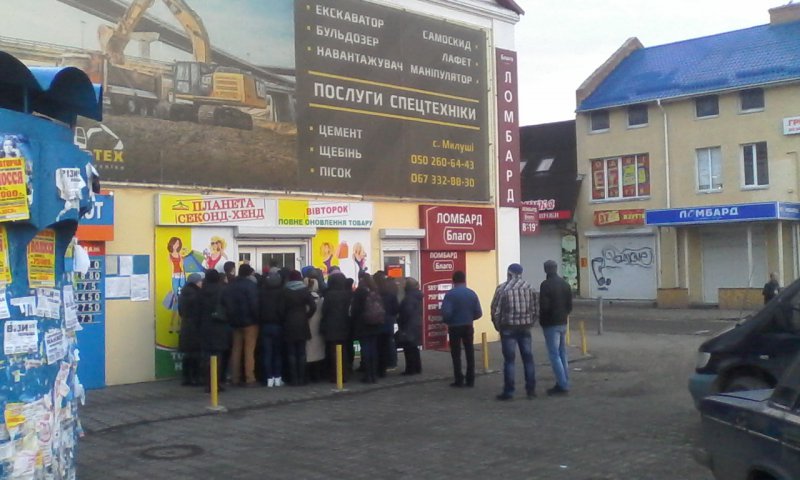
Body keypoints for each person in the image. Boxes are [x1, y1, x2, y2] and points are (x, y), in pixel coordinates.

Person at [491, 263, 538, 401]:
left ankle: (509, 392)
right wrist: (531, 322)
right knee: (528, 359)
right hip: (525, 327)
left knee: (509, 360)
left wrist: (498, 326)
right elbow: (536, 309)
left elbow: (495, 310)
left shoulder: (502, 288)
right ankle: (531, 391)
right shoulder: (530, 287)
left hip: (508, 328)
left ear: (509, 273)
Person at [441, 271, 482, 387]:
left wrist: (447, 321)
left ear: (453, 281)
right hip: (468, 326)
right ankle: (470, 379)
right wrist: (469, 318)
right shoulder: (472, 294)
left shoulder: (450, 295)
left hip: (454, 327)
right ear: (464, 280)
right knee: (470, 352)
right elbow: (479, 313)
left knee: (456, 354)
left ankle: (459, 379)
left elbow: (446, 312)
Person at [539, 260, 573, 396]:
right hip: (563, 322)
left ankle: (562, 384)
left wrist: (542, 319)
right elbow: (569, 305)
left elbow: (544, 306)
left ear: (545, 270)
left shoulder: (545, 285)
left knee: (554, 354)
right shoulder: (565, 284)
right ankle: (564, 380)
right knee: (562, 353)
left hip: (550, 323)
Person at [223, 263, 259, 387]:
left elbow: (227, 303)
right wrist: (257, 318)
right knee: (249, 350)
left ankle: (235, 377)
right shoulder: (251, 286)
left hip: (235, 322)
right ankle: (250, 378)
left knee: (236, 350)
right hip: (250, 322)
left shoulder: (231, 285)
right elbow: (254, 304)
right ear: (249, 273)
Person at [282, 270, 317, 386]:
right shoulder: (304, 290)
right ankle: (302, 378)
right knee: (302, 352)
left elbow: (280, 309)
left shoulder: (285, 291)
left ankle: (293, 379)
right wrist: (307, 315)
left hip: (288, 322)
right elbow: (313, 306)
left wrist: (284, 317)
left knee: (291, 353)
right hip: (302, 322)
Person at [198, 269, 231, 392]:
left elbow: (197, 311)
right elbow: (229, 307)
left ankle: (208, 383)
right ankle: (216, 383)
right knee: (218, 356)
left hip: (205, 327)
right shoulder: (222, 290)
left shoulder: (201, 292)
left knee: (206, 356)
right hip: (219, 326)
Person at [321, 272, 354, 382]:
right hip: (345, 324)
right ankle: (345, 373)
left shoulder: (329, 295)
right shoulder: (347, 294)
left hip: (331, 325)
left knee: (333, 352)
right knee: (344, 350)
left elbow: (324, 311)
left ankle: (335, 374)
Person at [351, 273, 383, 383]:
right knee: (373, 349)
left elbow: (355, 309)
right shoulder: (375, 290)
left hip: (363, 324)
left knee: (366, 349)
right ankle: (374, 374)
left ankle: (368, 375)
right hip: (375, 324)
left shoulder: (360, 292)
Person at [258, 267, 285, 387]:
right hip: (278, 325)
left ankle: (269, 378)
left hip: (265, 325)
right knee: (277, 353)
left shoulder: (262, 293)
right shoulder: (282, 293)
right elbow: (283, 310)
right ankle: (278, 377)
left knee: (267, 353)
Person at [178, 272, 204, 386]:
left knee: (188, 354)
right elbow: (199, 312)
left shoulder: (183, 293)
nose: (202, 283)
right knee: (196, 354)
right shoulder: (197, 295)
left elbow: (180, 311)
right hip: (195, 326)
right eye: (200, 281)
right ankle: (196, 377)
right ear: (196, 282)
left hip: (186, 326)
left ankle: (186, 378)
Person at [374, 271, 400, 377]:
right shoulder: (390, 294)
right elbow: (396, 309)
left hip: (376, 322)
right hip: (388, 322)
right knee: (388, 343)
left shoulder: (374, 293)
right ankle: (388, 365)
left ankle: (378, 368)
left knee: (377, 346)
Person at [397, 277, 423, 375]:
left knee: (408, 348)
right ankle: (417, 367)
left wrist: (400, 320)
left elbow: (406, 312)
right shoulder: (416, 295)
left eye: (404, 284)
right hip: (415, 323)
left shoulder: (409, 298)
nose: (402, 286)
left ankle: (410, 369)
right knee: (414, 347)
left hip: (408, 325)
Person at [305, 276, 326, 382]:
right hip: (318, 326)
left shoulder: (304, 299)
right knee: (318, 349)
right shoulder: (321, 300)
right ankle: (318, 374)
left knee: (308, 349)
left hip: (307, 325)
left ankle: (308, 375)